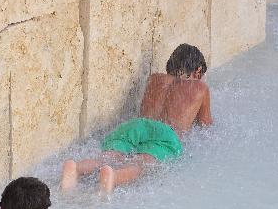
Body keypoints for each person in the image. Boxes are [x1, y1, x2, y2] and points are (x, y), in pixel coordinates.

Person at [61, 43, 212, 194]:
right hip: (165, 135)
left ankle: (76, 168)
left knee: (110, 156)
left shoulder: (155, 79)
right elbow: (205, 127)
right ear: (198, 71)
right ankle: (113, 177)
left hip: (137, 125)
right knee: (140, 164)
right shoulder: (200, 88)